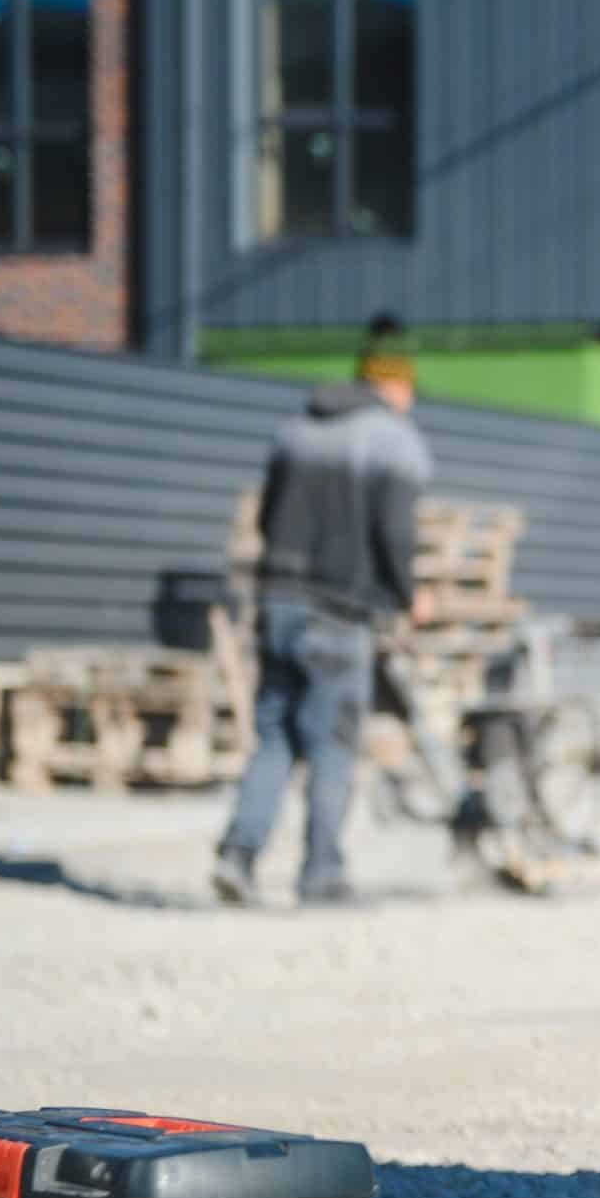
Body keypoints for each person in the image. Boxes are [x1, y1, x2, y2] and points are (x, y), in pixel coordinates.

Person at [213, 320, 434, 906]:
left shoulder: (294, 430)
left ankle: (239, 855)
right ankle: (322, 873)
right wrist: (409, 594)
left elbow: (266, 520)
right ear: (399, 386)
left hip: (278, 602)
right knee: (334, 741)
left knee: (275, 736)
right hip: (337, 610)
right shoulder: (393, 440)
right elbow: (396, 530)